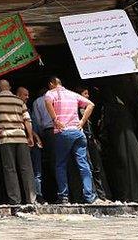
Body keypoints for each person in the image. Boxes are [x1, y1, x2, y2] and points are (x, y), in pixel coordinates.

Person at [44, 76, 99, 205]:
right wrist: (82, 121)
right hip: (78, 132)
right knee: (83, 164)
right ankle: (89, 196)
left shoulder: (51, 93)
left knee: (60, 165)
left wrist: (55, 119)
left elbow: (47, 102)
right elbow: (91, 104)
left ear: (52, 84)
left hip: (63, 132)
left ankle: (64, 196)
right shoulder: (72, 94)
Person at [0, 79, 36, 204]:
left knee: (10, 169)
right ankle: (31, 200)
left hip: (6, 137)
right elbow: (27, 119)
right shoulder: (19, 101)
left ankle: (15, 200)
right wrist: (30, 136)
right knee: (27, 169)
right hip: (21, 136)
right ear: (9, 87)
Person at [18, 86, 45, 200]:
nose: (27, 97)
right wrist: (35, 136)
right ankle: (30, 196)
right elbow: (25, 124)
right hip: (24, 141)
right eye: (25, 95)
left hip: (33, 142)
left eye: (28, 95)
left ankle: (38, 195)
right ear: (18, 95)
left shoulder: (28, 109)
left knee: (37, 170)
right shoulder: (17, 107)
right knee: (27, 169)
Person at [31, 86, 56, 202]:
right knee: (61, 162)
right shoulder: (57, 97)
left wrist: (40, 137)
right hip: (62, 130)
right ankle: (65, 194)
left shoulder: (37, 102)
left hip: (48, 132)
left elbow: (37, 121)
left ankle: (44, 195)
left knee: (50, 163)